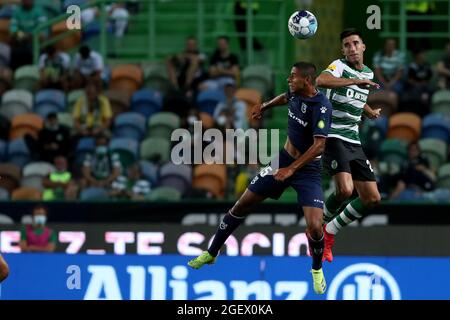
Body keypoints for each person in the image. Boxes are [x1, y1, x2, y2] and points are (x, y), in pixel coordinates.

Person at [188, 61, 333, 295]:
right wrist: (264, 106)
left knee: (315, 227)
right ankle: (212, 252)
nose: (289, 79)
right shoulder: (295, 93)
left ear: (306, 80)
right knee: (241, 204)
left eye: (293, 76)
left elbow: (319, 146)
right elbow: (285, 97)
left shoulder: (322, 106)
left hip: (307, 170)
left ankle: (316, 269)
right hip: (282, 160)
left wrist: (291, 170)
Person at [316, 28, 382, 263]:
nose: (351, 48)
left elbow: (357, 96)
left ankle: (329, 231)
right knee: (344, 190)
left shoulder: (368, 72)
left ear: (363, 47)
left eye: (355, 43)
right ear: (342, 50)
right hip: (333, 135)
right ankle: (317, 226)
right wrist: (354, 79)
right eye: (347, 45)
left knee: (372, 198)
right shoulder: (338, 67)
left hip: (353, 139)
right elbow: (321, 80)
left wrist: (369, 111)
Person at [9, 0, 47, 70]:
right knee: (13, 52)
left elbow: (42, 34)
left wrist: (24, 35)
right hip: (20, 44)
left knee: (31, 50)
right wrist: (28, 36)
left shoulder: (39, 11)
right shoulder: (17, 11)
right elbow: (13, 32)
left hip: (35, 44)